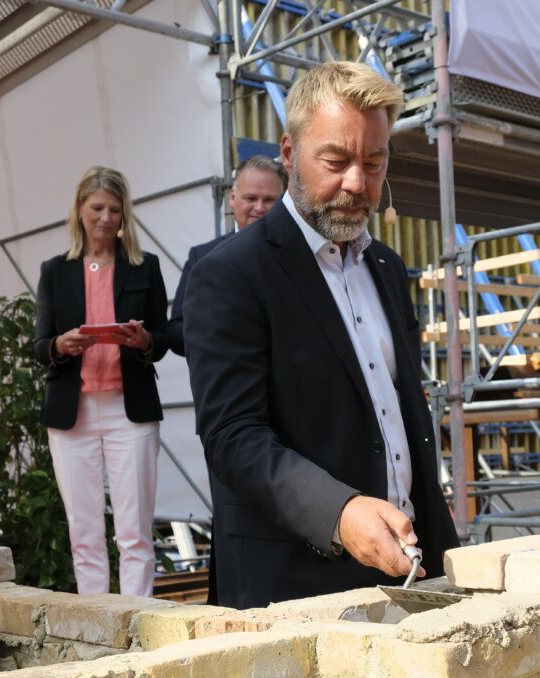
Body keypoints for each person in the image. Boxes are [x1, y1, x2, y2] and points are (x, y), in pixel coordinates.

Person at [184, 61, 459, 609]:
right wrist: (340, 512)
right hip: (290, 587)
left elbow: (402, 415)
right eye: (336, 161)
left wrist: (442, 546)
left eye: (374, 162)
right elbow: (233, 437)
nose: (357, 183)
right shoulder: (230, 273)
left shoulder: (386, 266)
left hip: (407, 572)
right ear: (288, 153)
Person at [33, 166, 168, 597]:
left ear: (124, 214)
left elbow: (163, 337)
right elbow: (39, 345)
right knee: (84, 532)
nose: (106, 217)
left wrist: (144, 339)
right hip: (72, 414)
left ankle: (139, 621)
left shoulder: (145, 266)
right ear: (79, 210)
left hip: (130, 410)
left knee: (134, 531)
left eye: (114, 209)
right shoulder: (55, 270)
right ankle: (95, 623)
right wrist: (60, 344)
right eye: (97, 207)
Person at [167, 156, 286, 356]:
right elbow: (176, 332)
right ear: (232, 198)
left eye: (269, 200)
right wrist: (223, 336)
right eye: (250, 198)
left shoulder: (300, 255)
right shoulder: (203, 256)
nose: (259, 208)